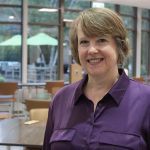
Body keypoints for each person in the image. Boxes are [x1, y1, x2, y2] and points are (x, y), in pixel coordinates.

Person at [43, 7, 150, 150]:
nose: (92, 50)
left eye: (101, 40)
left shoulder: (146, 101)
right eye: (84, 42)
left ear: (119, 47)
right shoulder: (60, 100)